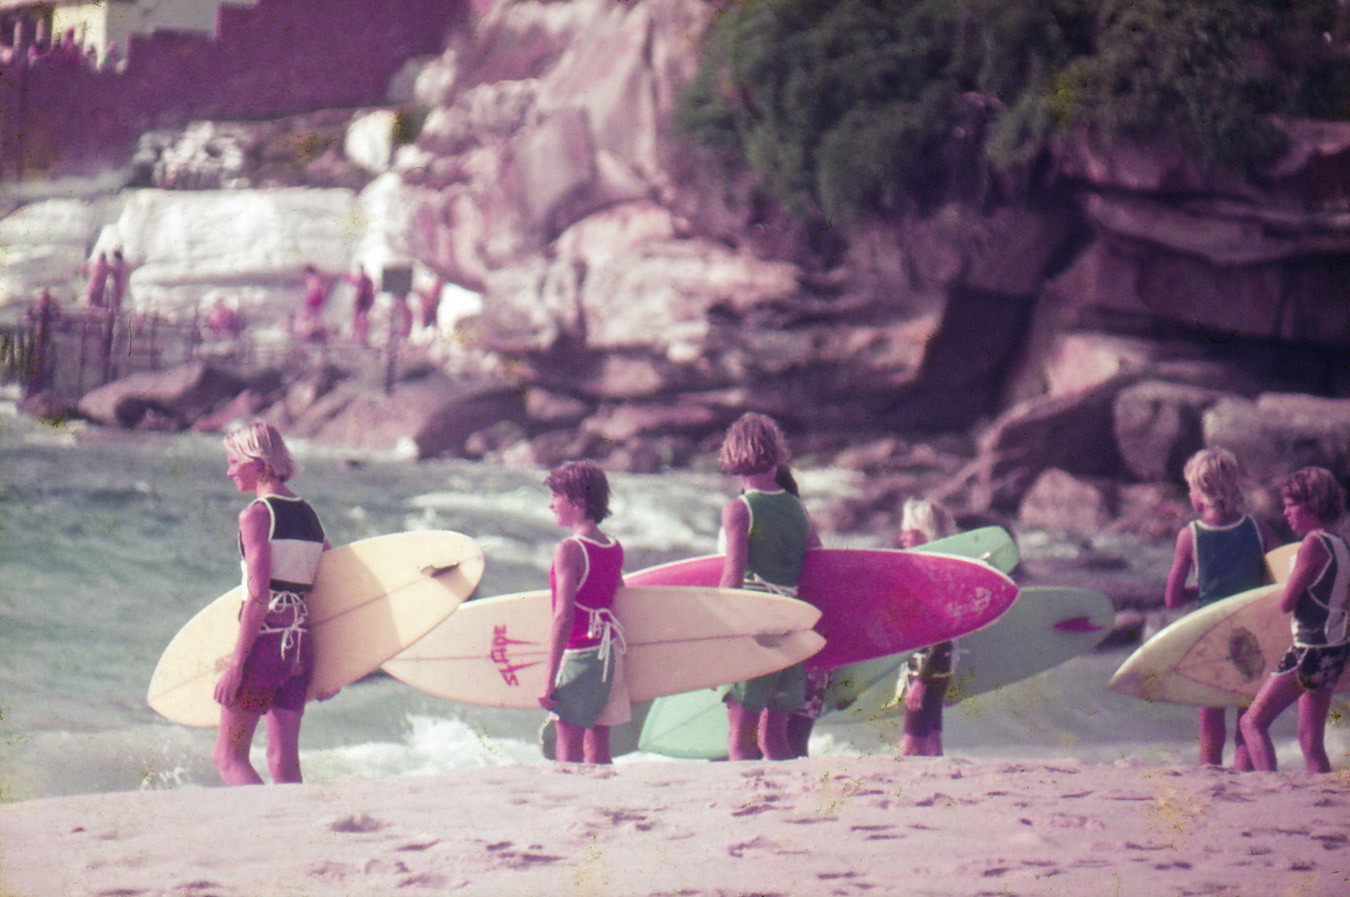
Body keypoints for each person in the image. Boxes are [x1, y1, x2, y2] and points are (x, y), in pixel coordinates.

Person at [213, 422, 329, 786]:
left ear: (259, 461)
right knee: (283, 760)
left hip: (265, 645)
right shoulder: (309, 515)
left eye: (235, 462)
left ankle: (262, 818)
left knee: (228, 757)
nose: (229, 471)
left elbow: (258, 596)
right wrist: (337, 669)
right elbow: (330, 586)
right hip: (299, 648)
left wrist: (236, 666)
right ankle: (295, 820)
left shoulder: (257, 515)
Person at [1164, 447, 1279, 769]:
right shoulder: (1259, 529)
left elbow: (1172, 598)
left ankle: (1211, 783)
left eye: (1190, 488)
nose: (1189, 495)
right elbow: (1282, 578)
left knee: (1211, 730)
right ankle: (1244, 783)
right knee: (1247, 724)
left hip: (1210, 636)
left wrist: (1205, 590)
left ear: (1200, 493)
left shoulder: (1190, 536)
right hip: (1252, 635)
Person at [718, 413, 821, 761]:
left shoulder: (739, 509)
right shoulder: (799, 510)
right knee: (774, 740)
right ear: (777, 454)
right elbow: (819, 568)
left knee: (740, 739)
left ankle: (745, 795)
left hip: (755, 624)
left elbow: (732, 580)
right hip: (791, 623)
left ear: (733, 455)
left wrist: (711, 636)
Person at [1241, 467, 1349, 773]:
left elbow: (1286, 603)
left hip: (1308, 651)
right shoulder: (1342, 545)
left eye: (1291, 505)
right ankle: (1324, 795)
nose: (1285, 513)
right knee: (1310, 741)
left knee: (1252, 723)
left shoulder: (1312, 545)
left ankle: (1270, 788)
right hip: (1334, 650)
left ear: (1312, 504)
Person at [538, 461, 628, 764]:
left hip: (580, 655)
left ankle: (572, 795)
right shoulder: (613, 546)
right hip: (610, 655)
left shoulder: (569, 549)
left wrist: (548, 680)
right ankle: (603, 793)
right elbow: (618, 596)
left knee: (568, 749)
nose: (550, 504)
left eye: (556, 496)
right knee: (599, 747)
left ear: (578, 501)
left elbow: (563, 617)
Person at [895, 498, 960, 757]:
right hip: (934, 666)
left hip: (929, 667)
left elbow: (943, 636)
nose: (902, 537)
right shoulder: (936, 571)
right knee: (931, 744)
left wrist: (921, 682)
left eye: (909, 531)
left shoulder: (934, 576)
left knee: (911, 749)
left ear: (925, 532)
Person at [344, 266, 375, 346]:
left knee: (358, 317)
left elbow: (352, 283)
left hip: (361, 298)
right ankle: (359, 336)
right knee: (361, 317)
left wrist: (349, 279)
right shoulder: (367, 278)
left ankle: (357, 336)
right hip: (364, 298)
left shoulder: (360, 278)